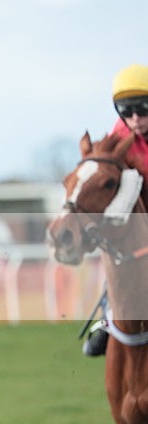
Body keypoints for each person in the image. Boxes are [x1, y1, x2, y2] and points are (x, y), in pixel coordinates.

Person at [83, 64, 148, 356]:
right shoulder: (120, 133)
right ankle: (108, 319)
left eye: (143, 110)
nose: (135, 120)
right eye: (126, 111)